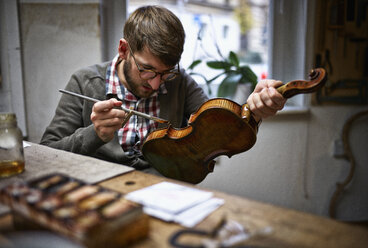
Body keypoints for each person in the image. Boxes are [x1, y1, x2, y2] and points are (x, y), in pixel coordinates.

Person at [40, 5, 286, 175]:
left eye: (166, 72)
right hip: (100, 194)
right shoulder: (85, 81)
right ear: (124, 50)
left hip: (163, 193)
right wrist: (95, 134)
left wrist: (254, 111)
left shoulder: (180, 83)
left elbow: (219, 132)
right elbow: (46, 157)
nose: (156, 84)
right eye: (147, 70)